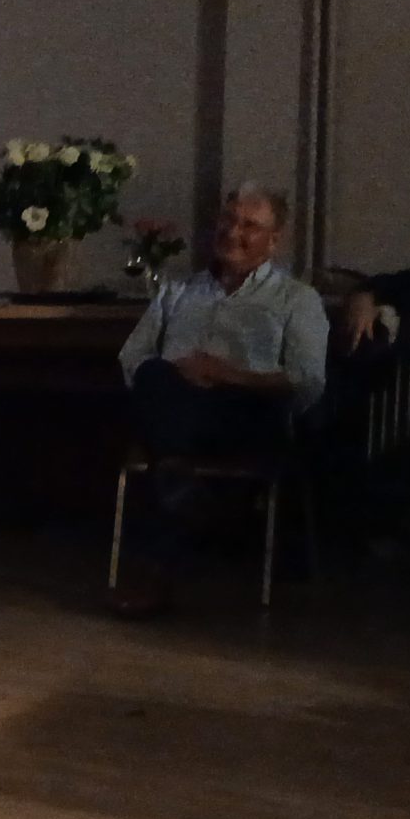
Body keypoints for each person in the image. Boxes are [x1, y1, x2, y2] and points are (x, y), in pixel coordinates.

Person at [110, 183, 329, 615]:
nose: (233, 232)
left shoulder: (297, 300)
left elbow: (307, 381)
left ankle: (160, 564)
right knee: (153, 374)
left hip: (246, 410)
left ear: (273, 240)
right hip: (176, 404)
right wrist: (184, 379)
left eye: (250, 225)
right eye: (228, 220)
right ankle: (183, 491)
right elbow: (131, 357)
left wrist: (226, 374)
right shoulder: (177, 292)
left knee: (165, 444)